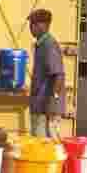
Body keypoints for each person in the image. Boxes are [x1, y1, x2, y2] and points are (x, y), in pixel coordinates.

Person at [27, 9, 65, 139]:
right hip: (39, 107)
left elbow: (59, 75)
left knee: (46, 146)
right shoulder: (40, 44)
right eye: (31, 24)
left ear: (44, 25)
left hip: (46, 109)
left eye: (34, 23)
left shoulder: (49, 45)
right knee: (38, 144)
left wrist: (53, 104)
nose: (31, 27)